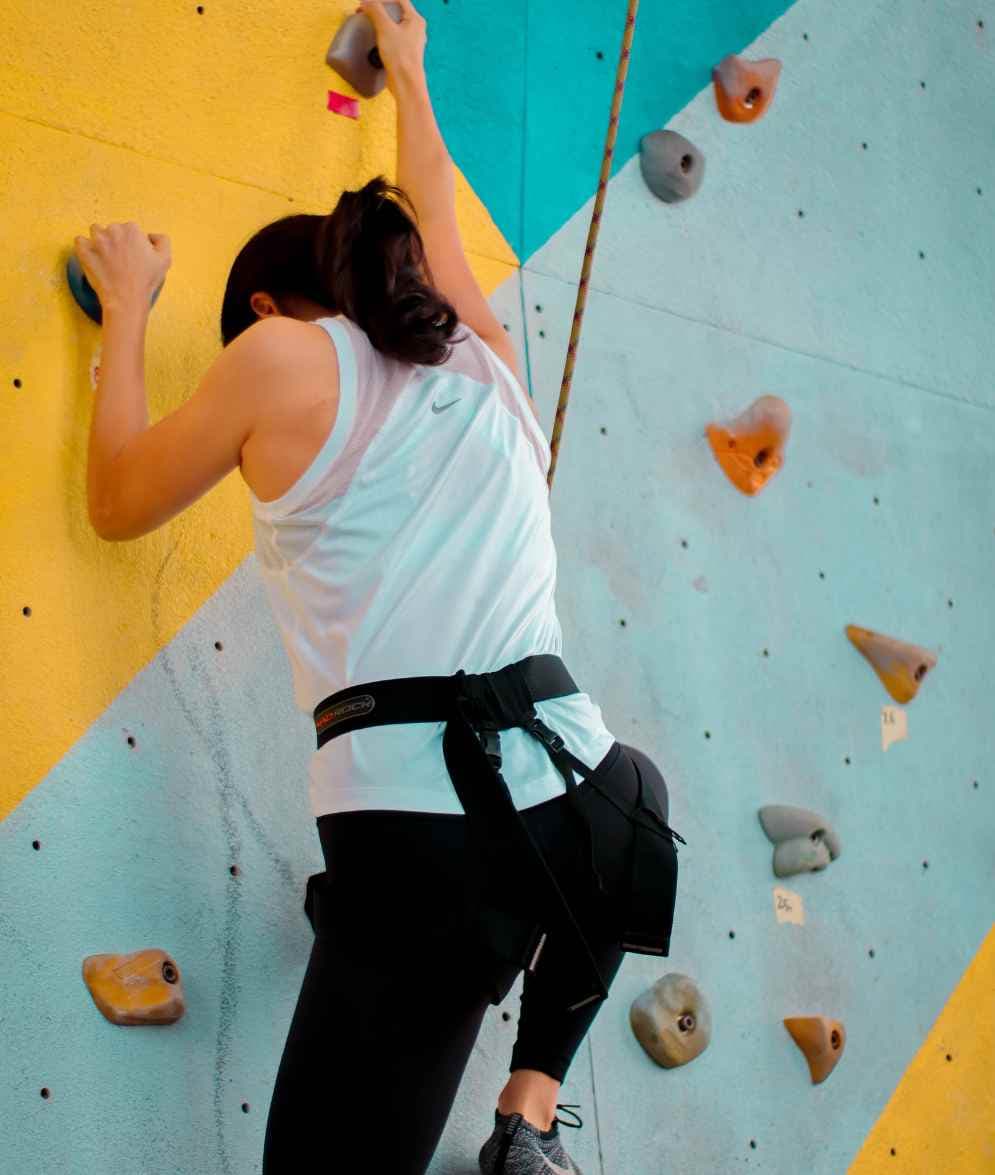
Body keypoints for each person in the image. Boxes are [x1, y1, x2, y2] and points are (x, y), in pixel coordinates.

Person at [77, 2, 681, 1172]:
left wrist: (134, 307)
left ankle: (418, 1010)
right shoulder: (482, 351)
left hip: (422, 848)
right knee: (638, 810)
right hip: (586, 801)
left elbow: (115, 502)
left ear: (262, 308)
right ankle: (529, 1117)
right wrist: (406, 67)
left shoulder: (280, 358)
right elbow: (437, 205)